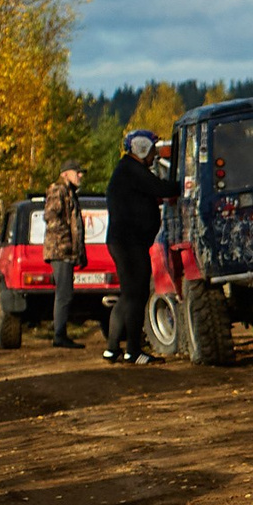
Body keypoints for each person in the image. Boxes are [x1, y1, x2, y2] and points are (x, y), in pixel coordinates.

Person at [104, 130, 176, 364]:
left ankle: (113, 348)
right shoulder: (132, 171)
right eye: (153, 149)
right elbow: (163, 189)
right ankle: (133, 350)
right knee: (137, 295)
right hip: (130, 244)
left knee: (128, 294)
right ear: (142, 149)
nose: (155, 155)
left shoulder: (126, 171)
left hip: (125, 242)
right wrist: (184, 185)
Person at [43, 163, 88, 349]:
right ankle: (59, 335)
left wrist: (79, 253)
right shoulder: (58, 191)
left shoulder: (70, 193)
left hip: (65, 251)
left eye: (80, 173)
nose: (80, 175)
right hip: (60, 250)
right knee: (63, 294)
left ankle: (60, 334)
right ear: (64, 174)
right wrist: (66, 242)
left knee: (65, 293)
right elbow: (51, 217)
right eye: (76, 172)